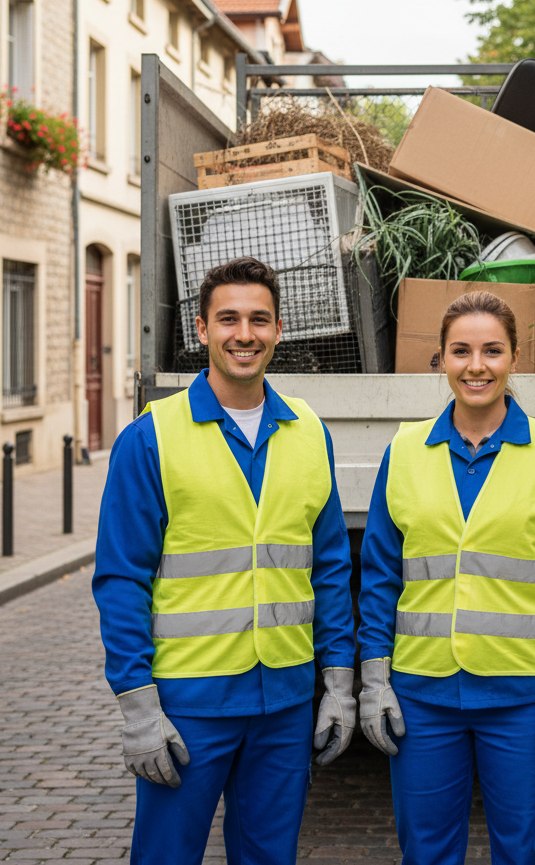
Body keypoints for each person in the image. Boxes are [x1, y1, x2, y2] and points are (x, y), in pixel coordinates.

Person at [93, 257, 356, 865]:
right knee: (166, 856)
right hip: (190, 702)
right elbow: (121, 580)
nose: (245, 334)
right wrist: (137, 706)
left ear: (280, 330)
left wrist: (339, 685)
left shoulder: (310, 432)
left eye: (259, 319)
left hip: (285, 700)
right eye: (229, 318)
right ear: (202, 330)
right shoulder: (151, 437)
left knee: (269, 856)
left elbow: (331, 570)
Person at [358, 291, 535, 865]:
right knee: (427, 854)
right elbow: (379, 579)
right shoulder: (405, 449)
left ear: (516, 357)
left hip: (524, 696)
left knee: (525, 852)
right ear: (439, 360)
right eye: (461, 351)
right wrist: (374, 682)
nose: (476, 365)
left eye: (492, 350)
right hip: (422, 695)